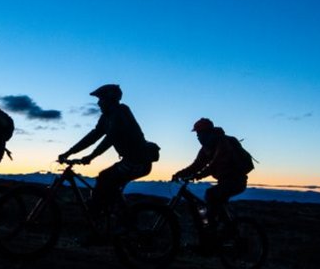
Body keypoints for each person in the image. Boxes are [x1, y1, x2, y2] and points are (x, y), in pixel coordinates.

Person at [57, 84, 158, 222]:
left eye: (101, 99)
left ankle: (106, 223)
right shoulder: (107, 117)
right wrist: (70, 152)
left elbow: (111, 137)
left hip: (137, 162)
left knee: (104, 179)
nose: (98, 103)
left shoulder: (120, 112)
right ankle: (109, 220)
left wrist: (91, 156)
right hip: (130, 161)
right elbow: (93, 136)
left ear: (110, 99)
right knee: (107, 187)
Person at [172, 118, 251, 227]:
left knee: (211, 195)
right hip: (224, 181)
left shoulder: (223, 143)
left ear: (208, 132)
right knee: (214, 202)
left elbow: (215, 165)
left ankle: (212, 232)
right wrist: (180, 174)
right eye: (197, 134)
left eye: (200, 133)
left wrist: (197, 176)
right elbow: (196, 165)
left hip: (236, 181)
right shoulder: (206, 148)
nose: (198, 137)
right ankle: (218, 229)